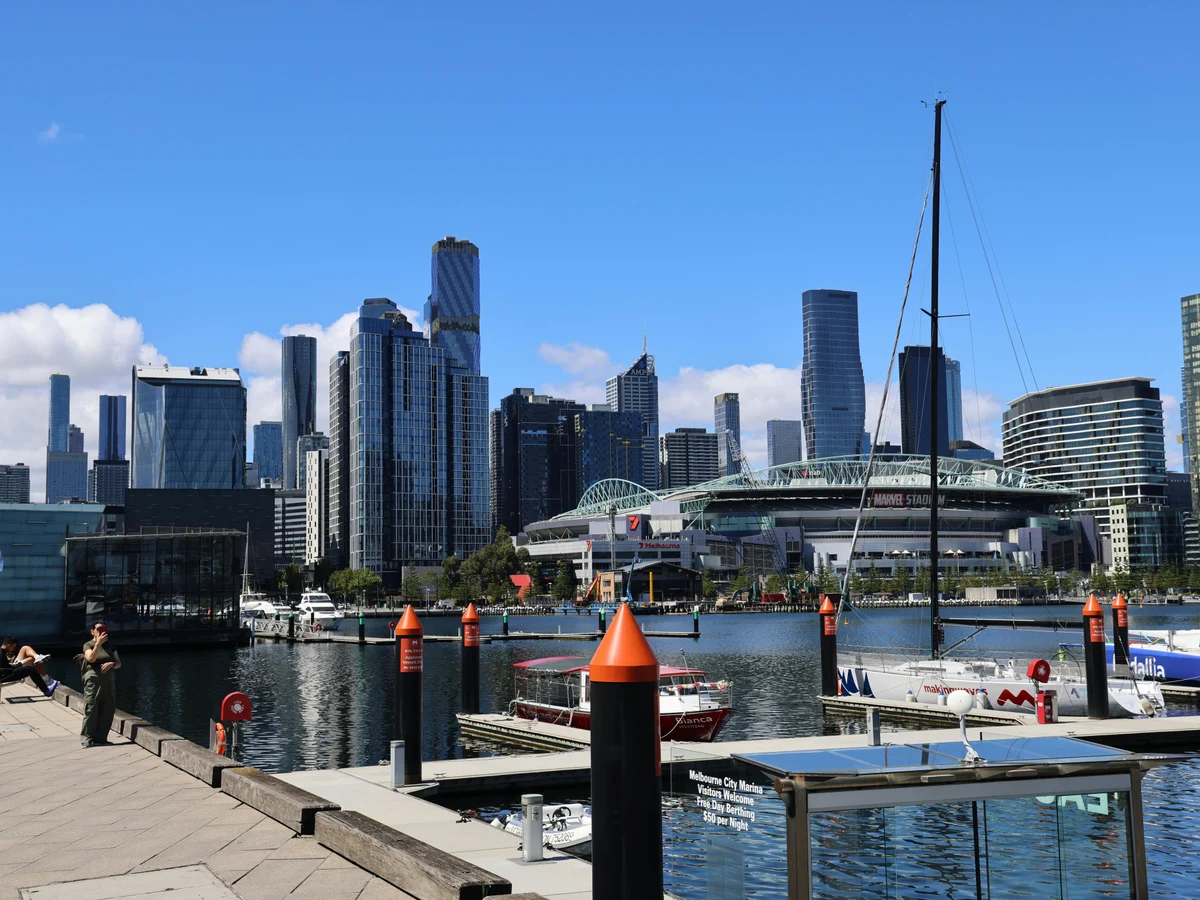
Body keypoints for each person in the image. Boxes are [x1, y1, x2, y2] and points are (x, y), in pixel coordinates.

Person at [80, 621, 121, 747]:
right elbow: (91, 658)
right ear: (92, 631)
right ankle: (87, 738)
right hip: (93, 679)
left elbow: (119, 663)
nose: (101, 631)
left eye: (103, 629)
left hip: (108, 680)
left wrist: (112, 664)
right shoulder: (88, 644)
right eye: (98, 629)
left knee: (108, 709)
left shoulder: (110, 645)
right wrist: (98, 643)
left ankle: (101, 738)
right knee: (91, 708)